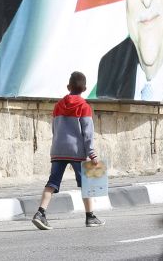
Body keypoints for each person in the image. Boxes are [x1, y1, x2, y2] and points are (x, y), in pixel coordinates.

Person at [32, 71, 104, 229]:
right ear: (84, 89)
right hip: (76, 150)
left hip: (58, 148)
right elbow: (88, 134)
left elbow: (54, 128)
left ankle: (40, 213)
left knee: (52, 182)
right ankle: (90, 217)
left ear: (68, 87)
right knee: (86, 183)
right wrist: (92, 153)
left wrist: (58, 142)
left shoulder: (58, 106)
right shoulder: (84, 107)